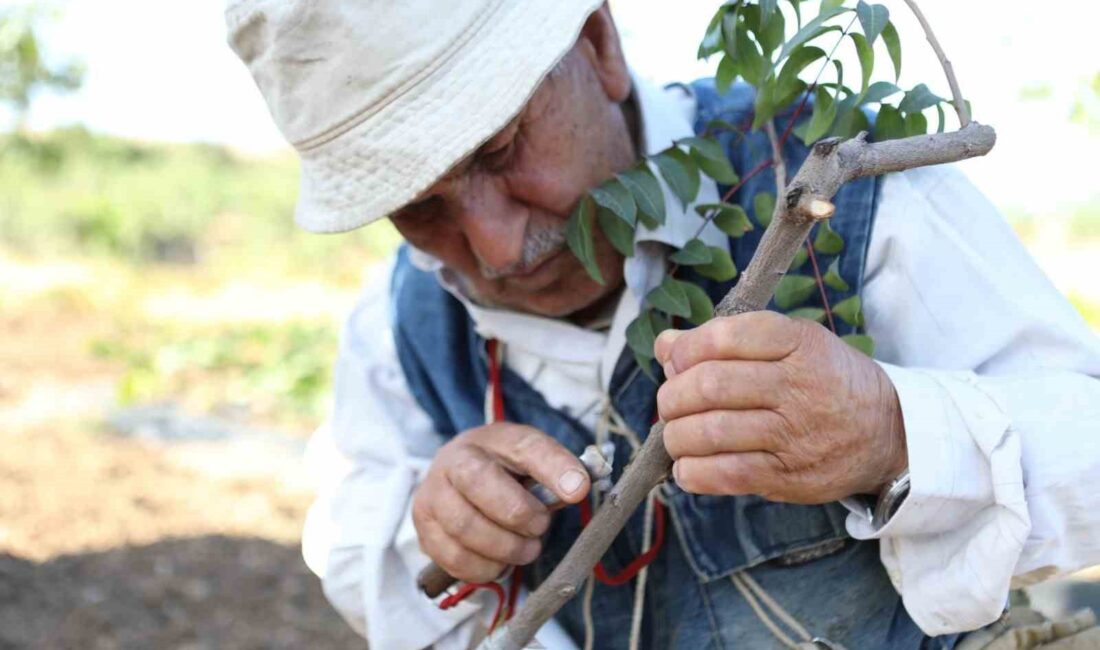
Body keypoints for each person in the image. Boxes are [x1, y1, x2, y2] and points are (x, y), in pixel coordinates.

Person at [225, 1, 1100, 648]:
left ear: (599, 46)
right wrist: (436, 529)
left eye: (501, 151)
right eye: (418, 209)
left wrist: (892, 435)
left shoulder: (842, 183)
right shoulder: (399, 325)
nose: (495, 246)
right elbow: (351, 529)